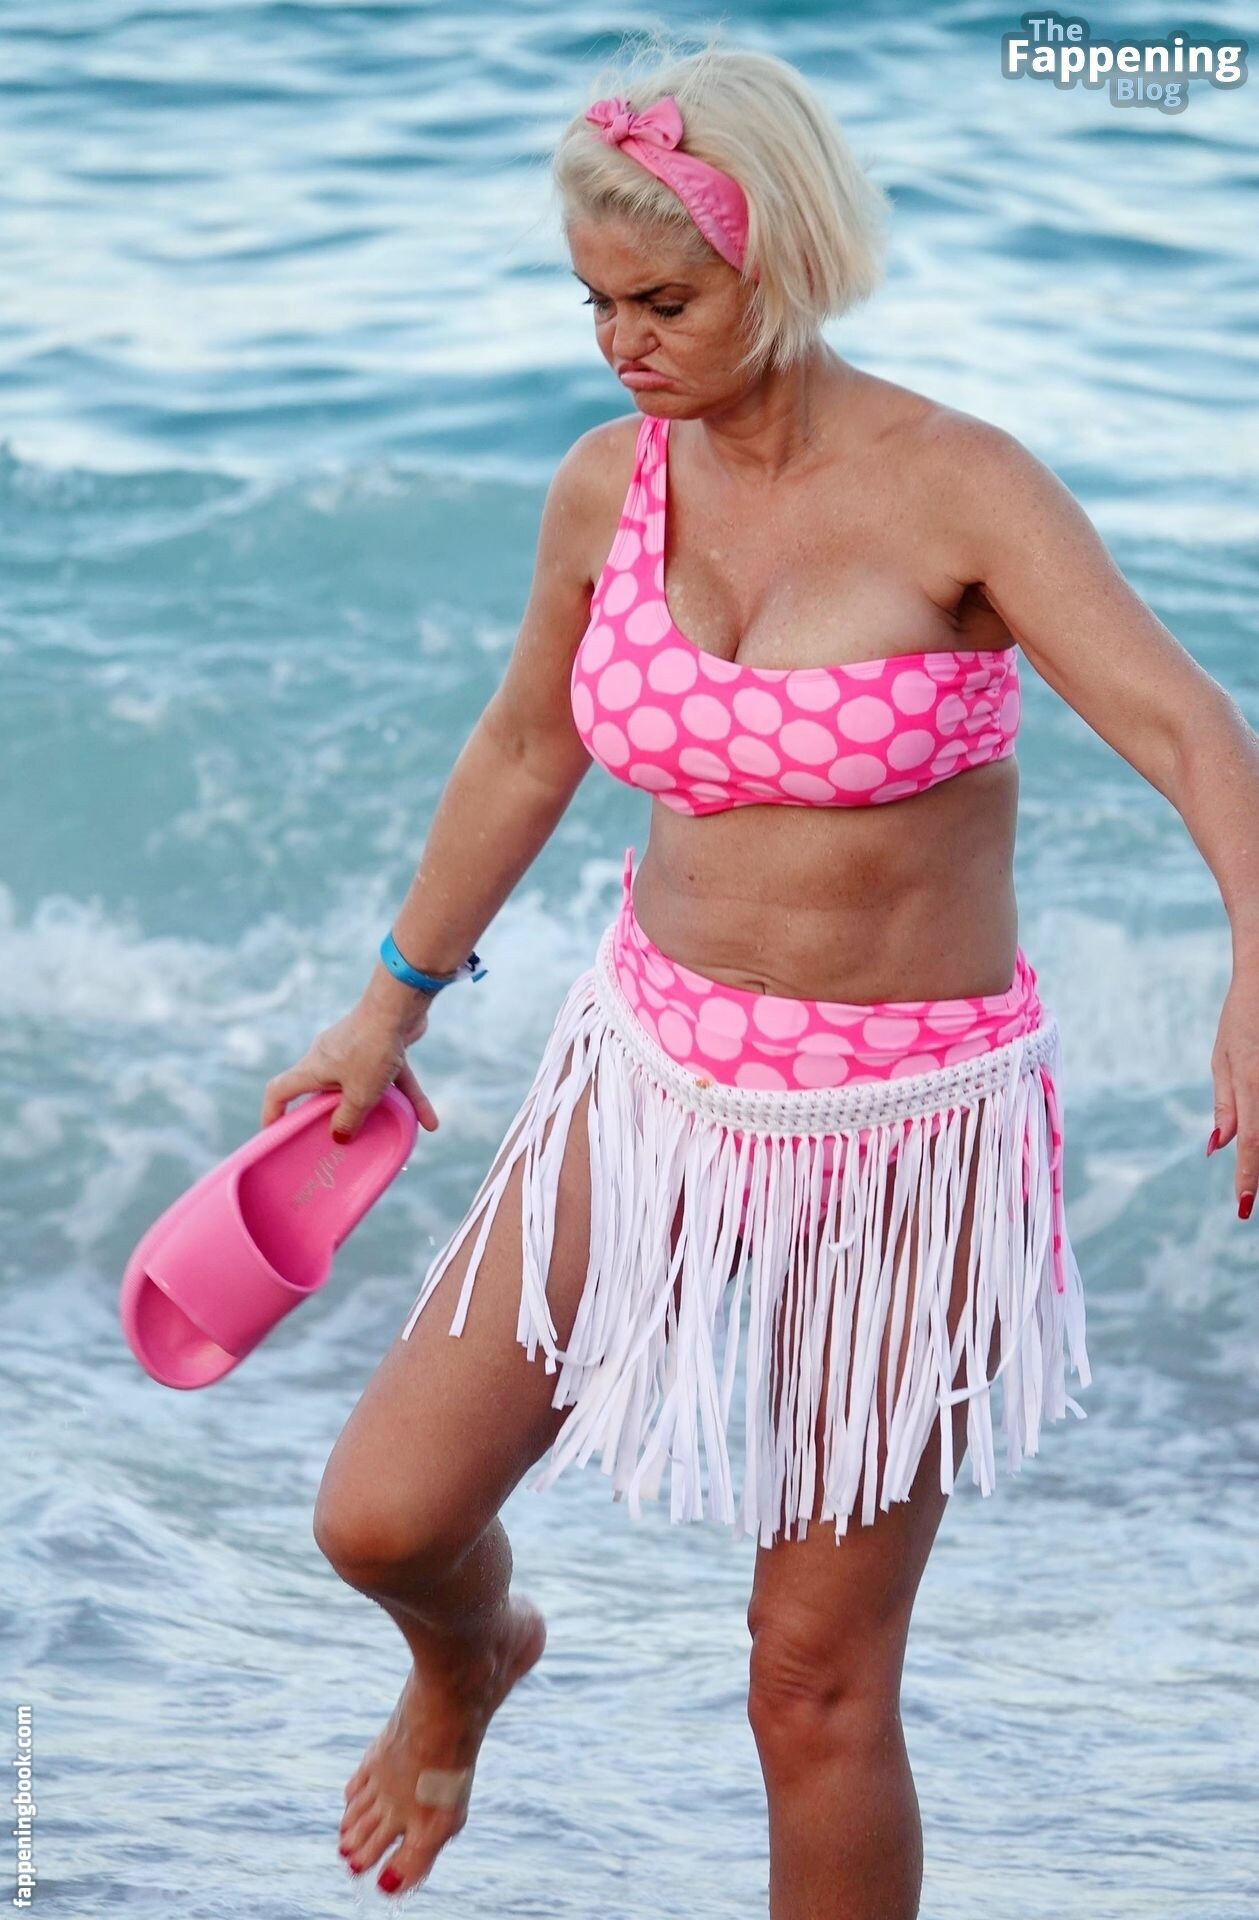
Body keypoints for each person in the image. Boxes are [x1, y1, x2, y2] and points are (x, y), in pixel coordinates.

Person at [258, 36, 1259, 1918]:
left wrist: (1256, 974)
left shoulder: (962, 489)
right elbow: (527, 749)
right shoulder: (606, 489)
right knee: (381, 1516)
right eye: (594, 303)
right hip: (650, 1070)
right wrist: (390, 1001)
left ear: (781, 262)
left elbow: (1200, 735)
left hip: (909, 1126)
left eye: (665, 302)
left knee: (811, 1685)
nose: (622, 345)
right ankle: (470, 1660)